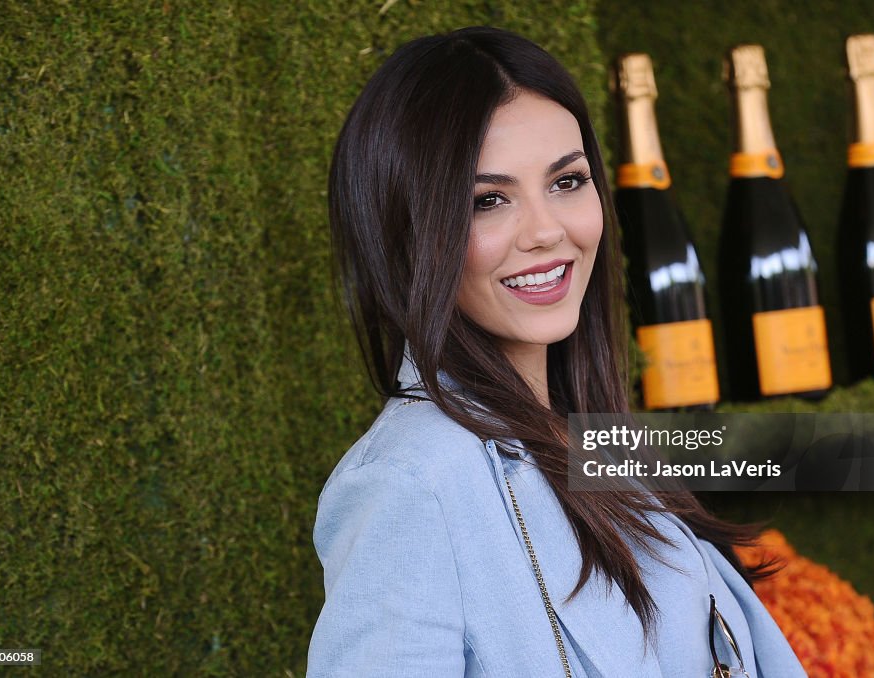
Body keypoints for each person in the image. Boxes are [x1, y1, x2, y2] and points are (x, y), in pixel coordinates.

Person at [307, 26, 806, 677]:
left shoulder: (598, 444)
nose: (548, 231)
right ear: (408, 233)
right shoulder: (409, 483)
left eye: (567, 183)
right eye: (488, 200)